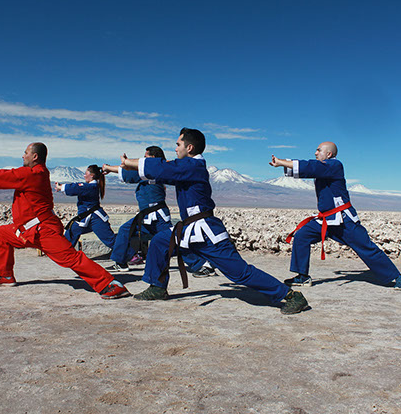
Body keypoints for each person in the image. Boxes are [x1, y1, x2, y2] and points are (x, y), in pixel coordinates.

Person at [120, 128, 308, 315]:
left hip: (206, 231)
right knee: (160, 242)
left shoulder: (193, 166)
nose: (175, 148)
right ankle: (157, 287)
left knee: (240, 273)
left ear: (189, 147)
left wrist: (129, 162)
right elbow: (162, 171)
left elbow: (163, 167)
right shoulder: (185, 168)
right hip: (189, 228)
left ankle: (291, 296)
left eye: (178, 144)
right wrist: (127, 167)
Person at [0, 142, 131, 299]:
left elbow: (0, 175)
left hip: (43, 230)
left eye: (25, 153)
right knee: (3, 233)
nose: (23, 156)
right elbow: (3, 176)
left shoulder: (35, 174)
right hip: (28, 231)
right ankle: (5, 275)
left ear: (35, 156)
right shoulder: (31, 174)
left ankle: (110, 284)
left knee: (70, 258)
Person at [269, 141, 401, 290]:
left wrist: (282, 162)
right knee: (302, 235)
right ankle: (302, 276)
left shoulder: (335, 165)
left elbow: (311, 166)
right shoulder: (322, 169)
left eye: (318, 150)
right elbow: (309, 170)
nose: (315, 153)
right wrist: (283, 164)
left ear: (329, 154)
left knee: (365, 247)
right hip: (325, 219)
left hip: (344, 220)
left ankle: (397, 277)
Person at [102, 146, 217, 278]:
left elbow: (129, 172)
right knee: (125, 230)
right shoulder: (147, 174)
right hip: (145, 218)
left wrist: (109, 168)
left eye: (146, 157)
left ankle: (202, 264)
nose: (144, 159)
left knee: (174, 241)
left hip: (158, 217)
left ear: (154, 158)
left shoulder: (156, 172)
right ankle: (121, 262)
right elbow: (130, 172)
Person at [54, 164, 116, 252]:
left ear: (92, 175)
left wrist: (61, 187)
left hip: (95, 218)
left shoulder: (91, 187)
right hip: (85, 218)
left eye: (86, 173)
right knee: (71, 231)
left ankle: (131, 254)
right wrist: (61, 187)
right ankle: (64, 254)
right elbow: (77, 188)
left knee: (110, 240)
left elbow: (77, 188)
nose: (84, 175)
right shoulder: (90, 187)